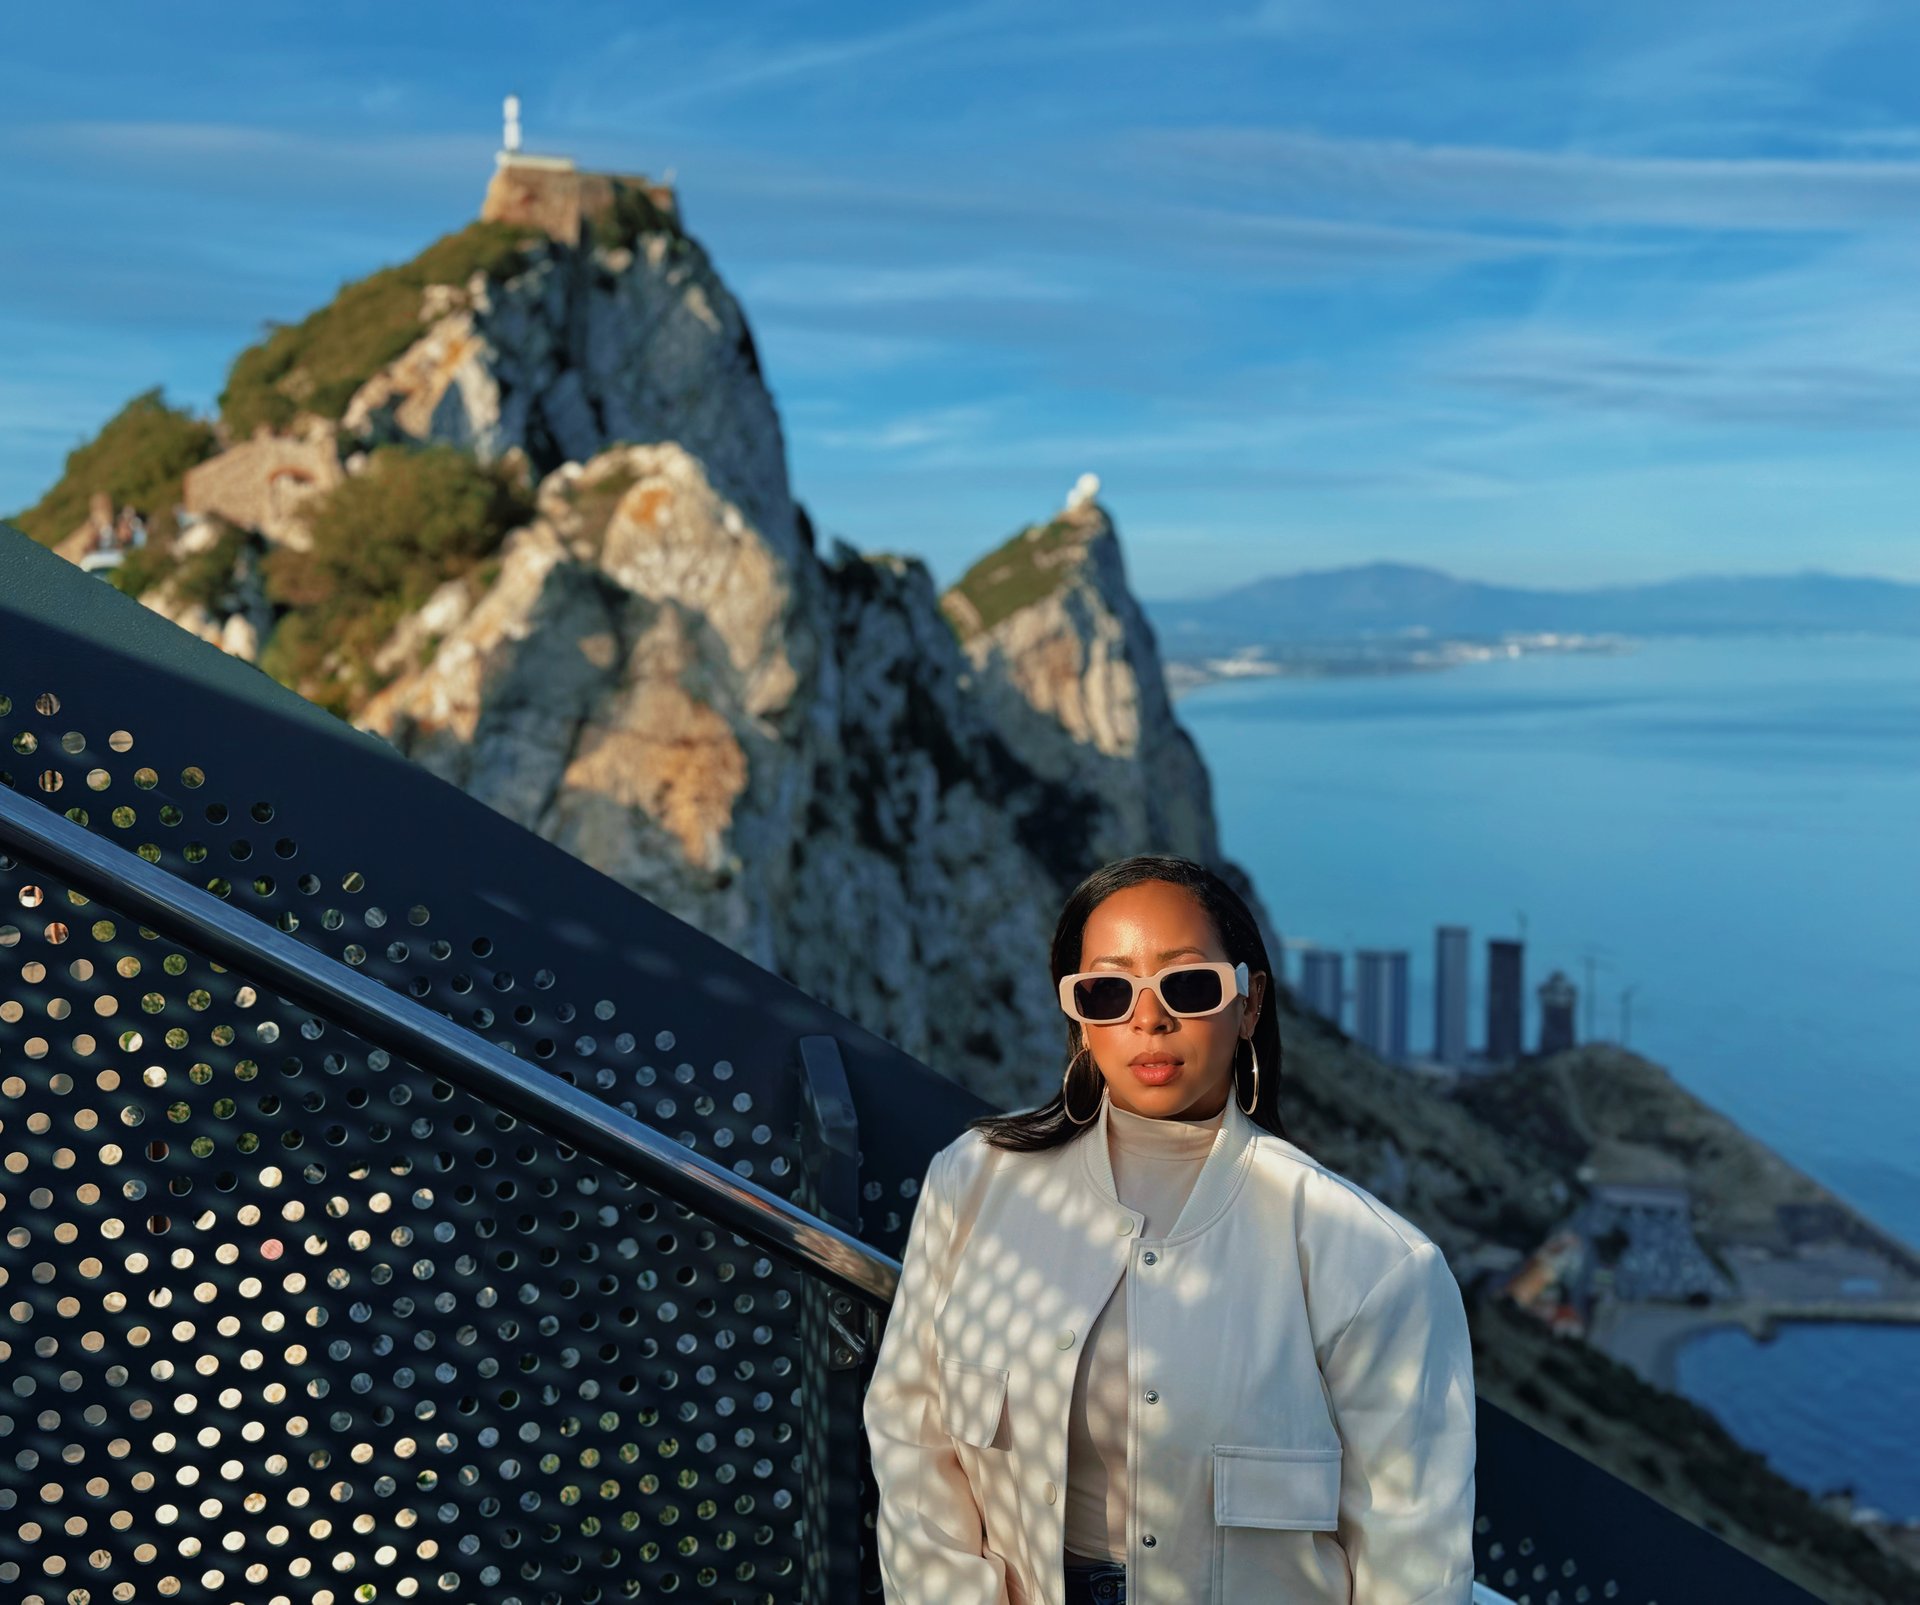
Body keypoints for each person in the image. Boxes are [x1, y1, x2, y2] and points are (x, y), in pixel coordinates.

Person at [863, 854, 1477, 1605]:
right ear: (1080, 1020)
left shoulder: (1373, 1261)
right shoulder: (973, 1182)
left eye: (1187, 985)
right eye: (1108, 991)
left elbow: (1412, 1563)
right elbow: (911, 1430)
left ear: (1248, 1005)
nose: (1147, 1018)